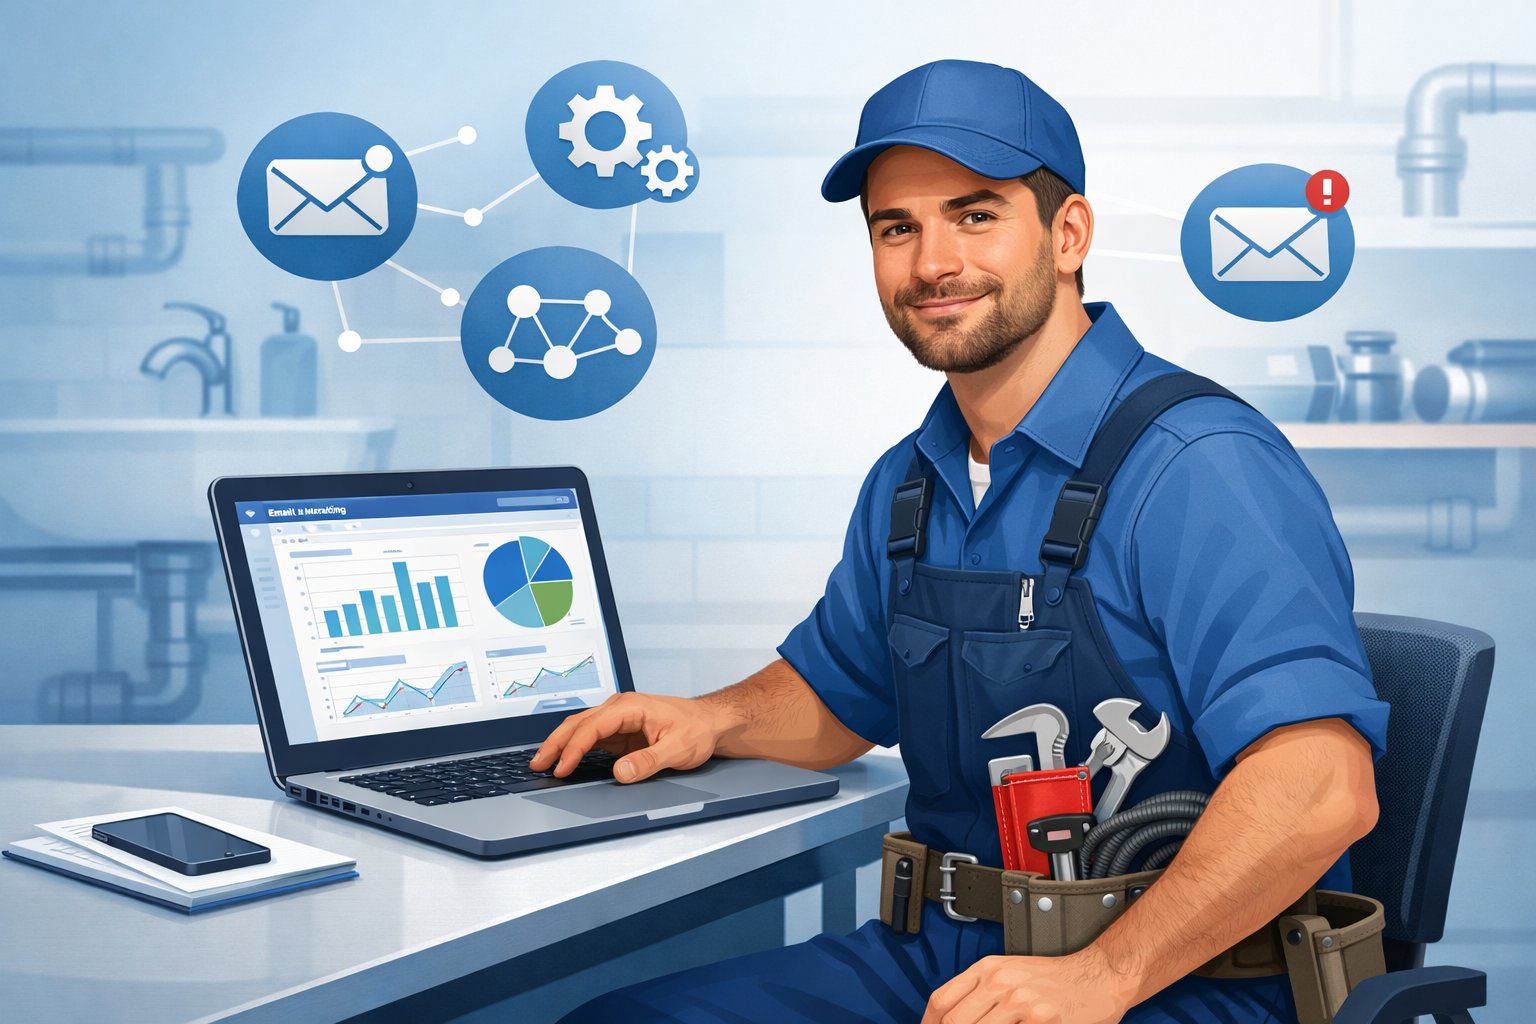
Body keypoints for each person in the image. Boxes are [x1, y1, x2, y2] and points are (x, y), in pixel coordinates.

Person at [544, 59, 1390, 1024]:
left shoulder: (1200, 467)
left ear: (1068, 233)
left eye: (975, 214)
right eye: (896, 228)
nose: (932, 263)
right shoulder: (913, 480)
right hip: (939, 958)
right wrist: (715, 717)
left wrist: (1100, 978)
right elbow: (838, 697)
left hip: (1180, 978)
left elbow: (1323, 785)